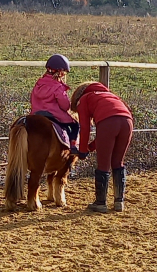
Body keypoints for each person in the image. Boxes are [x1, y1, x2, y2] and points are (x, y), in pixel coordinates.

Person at [71, 81, 133, 213]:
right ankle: (119, 201)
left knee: (103, 165)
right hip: (127, 121)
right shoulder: (110, 95)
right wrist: (90, 147)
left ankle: (100, 203)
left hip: (108, 122)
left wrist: (82, 151)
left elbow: (85, 128)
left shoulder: (84, 99)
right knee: (118, 162)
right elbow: (103, 138)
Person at [30, 54, 79, 149]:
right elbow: (65, 106)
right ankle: (73, 147)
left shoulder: (38, 84)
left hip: (36, 114)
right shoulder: (58, 87)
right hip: (54, 115)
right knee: (75, 125)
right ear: (60, 73)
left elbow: (32, 98)